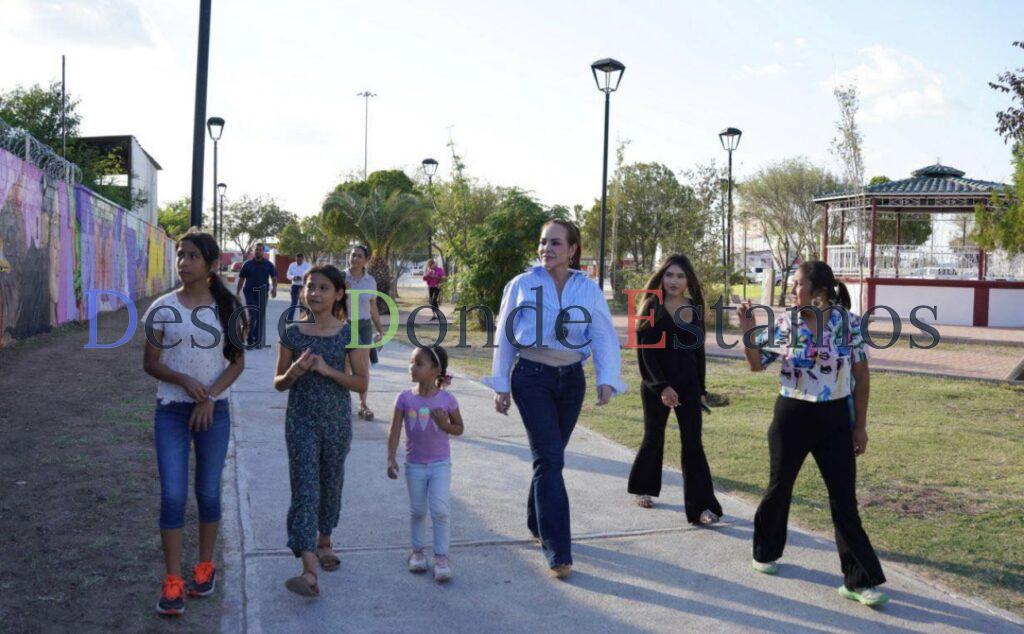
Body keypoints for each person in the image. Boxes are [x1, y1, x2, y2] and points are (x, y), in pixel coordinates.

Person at [738, 260, 888, 607]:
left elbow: (862, 378)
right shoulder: (786, 323)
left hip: (835, 418)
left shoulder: (848, 324)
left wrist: (860, 426)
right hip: (791, 415)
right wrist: (748, 330)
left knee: (843, 499)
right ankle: (765, 551)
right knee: (779, 487)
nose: (792, 291)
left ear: (818, 291)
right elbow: (756, 364)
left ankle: (858, 580)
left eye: (797, 285)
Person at [484, 219, 626, 579]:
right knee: (550, 460)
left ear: (573, 250)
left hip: (571, 381)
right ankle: (558, 550)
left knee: (549, 459)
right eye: (544, 242)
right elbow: (505, 336)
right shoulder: (522, 284)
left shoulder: (587, 288)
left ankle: (536, 522)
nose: (547, 248)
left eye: (556, 243)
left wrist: (606, 379)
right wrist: (501, 384)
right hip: (532, 377)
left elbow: (603, 334)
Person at [142, 230, 246, 616]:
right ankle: (172, 580)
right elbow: (150, 363)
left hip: (213, 413)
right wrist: (185, 382)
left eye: (192, 257)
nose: (183, 263)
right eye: (180, 255)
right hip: (171, 409)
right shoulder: (162, 308)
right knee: (172, 495)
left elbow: (237, 364)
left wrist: (210, 397)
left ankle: (205, 566)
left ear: (211, 265)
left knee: (207, 492)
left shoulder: (229, 309)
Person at [274, 265, 370, 598]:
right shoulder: (291, 332)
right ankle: (308, 568)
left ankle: (325, 539)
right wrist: (294, 371)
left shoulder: (350, 334)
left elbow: (361, 383)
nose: (314, 293)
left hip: (336, 422)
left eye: (323, 287)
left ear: (338, 294)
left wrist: (327, 370)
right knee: (304, 489)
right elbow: (278, 384)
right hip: (300, 420)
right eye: (310, 286)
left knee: (330, 484)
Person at [627, 254, 723, 525]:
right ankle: (644, 488)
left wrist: (701, 388)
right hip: (655, 385)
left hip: (689, 387)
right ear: (662, 277)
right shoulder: (650, 307)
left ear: (688, 280)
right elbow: (646, 354)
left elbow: (698, 352)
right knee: (653, 438)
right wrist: (662, 387)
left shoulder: (694, 308)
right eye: (669, 275)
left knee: (693, 444)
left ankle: (702, 506)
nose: (674, 281)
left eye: (680, 276)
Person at [386, 345, 463, 583]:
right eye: (411, 362)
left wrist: (444, 424)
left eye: (419, 363)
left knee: (440, 511)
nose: (412, 367)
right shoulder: (404, 398)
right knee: (418, 510)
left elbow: (459, 429)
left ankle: (441, 557)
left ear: (436, 370)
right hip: (415, 465)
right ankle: (417, 552)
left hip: (440, 465)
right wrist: (391, 458)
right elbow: (395, 430)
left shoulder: (447, 400)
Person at [345, 245, 384, 420]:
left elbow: (372, 306)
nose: (355, 258)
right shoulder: (340, 277)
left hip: (364, 325)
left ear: (366, 260)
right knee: (344, 366)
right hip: (344, 325)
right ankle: (344, 404)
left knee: (362, 367)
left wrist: (380, 329)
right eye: (353, 255)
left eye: (359, 256)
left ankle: (363, 404)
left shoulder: (370, 281)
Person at [235, 243, 277, 348]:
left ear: (263, 252)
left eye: (260, 250)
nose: (258, 251)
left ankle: (257, 340)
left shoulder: (269, 265)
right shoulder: (247, 264)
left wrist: (274, 289)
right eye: (257, 249)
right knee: (253, 315)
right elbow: (241, 279)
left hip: (262, 294)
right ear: (254, 251)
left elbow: (274, 278)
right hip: (250, 292)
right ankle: (250, 339)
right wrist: (237, 292)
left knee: (260, 317)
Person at [286, 253, 312, 320]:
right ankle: (290, 319)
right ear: (296, 259)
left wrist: (302, 278)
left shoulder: (307, 266)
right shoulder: (292, 265)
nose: (298, 262)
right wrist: (293, 277)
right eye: (297, 260)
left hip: (303, 286)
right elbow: (288, 274)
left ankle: (302, 319)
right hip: (294, 286)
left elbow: (310, 275)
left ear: (302, 259)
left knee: (302, 304)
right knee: (293, 303)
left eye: (300, 260)